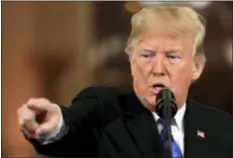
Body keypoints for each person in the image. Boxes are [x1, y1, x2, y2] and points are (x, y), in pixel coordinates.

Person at [17, 6, 232, 158]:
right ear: (131, 61)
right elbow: (75, 124)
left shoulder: (223, 129)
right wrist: (56, 126)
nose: (157, 69)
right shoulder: (104, 112)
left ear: (196, 67)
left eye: (172, 56)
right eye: (147, 55)